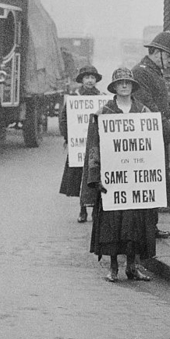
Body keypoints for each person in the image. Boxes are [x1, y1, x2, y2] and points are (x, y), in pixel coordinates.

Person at [82, 68, 170, 282]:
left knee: (135, 225)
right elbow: (94, 146)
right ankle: (114, 267)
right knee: (113, 225)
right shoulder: (104, 113)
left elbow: (153, 146)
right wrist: (95, 176)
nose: (124, 86)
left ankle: (132, 266)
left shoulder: (143, 112)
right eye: (120, 83)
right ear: (114, 87)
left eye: (128, 83)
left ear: (133, 86)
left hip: (136, 181)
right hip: (113, 181)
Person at [131, 31, 170, 238]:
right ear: (157, 53)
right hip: (147, 136)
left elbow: (167, 101)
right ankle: (143, 228)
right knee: (146, 181)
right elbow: (147, 105)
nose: (169, 61)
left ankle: (150, 226)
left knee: (155, 181)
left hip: (157, 135)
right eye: (167, 56)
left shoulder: (154, 72)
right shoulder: (141, 72)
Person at [59, 65, 103, 222]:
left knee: (95, 175)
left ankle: (96, 210)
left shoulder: (101, 97)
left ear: (96, 80)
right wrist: (67, 137)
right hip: (78, 145)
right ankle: (82, 209)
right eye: (86, 77)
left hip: (94, 145)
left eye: (92, 77)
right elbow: (64, 119)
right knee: (79, 176)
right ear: (82, 80)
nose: (90, 81)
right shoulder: (74, 97)